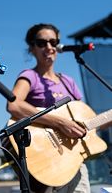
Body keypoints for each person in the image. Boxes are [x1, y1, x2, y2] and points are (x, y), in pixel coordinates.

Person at [6, 23, 90, 193]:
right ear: (32, 48)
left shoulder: (68, 81)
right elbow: (13, 104)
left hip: (73, 160)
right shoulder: (29, 76)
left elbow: (85, 119)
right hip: (46, 162)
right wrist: (59, 122)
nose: (49, 47)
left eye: (53, 42)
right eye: (41, 43)